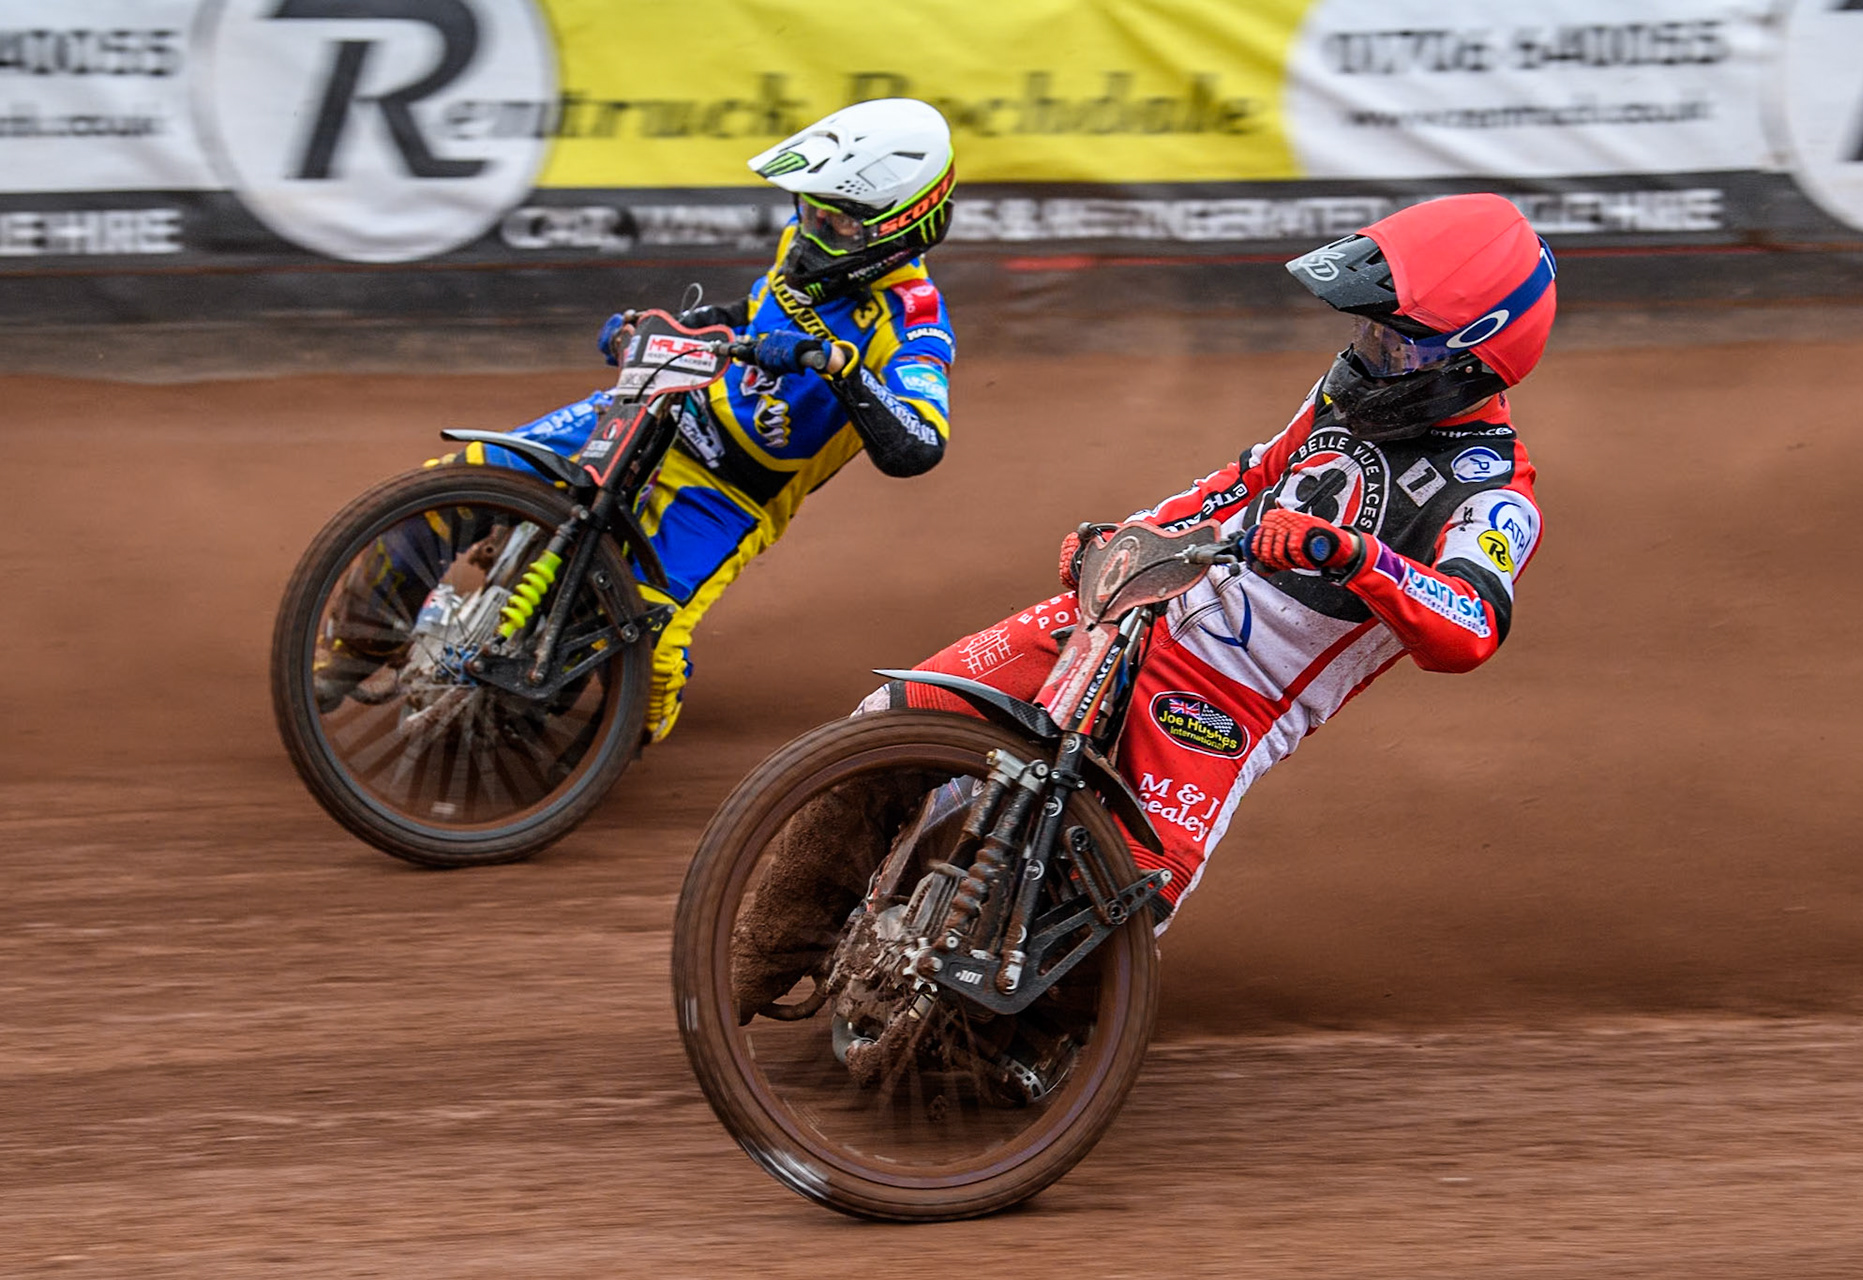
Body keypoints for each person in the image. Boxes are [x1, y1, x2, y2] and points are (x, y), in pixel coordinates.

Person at [862, 192, 1555, 925]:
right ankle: (785, 938)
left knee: (1121, 907)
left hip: (1234, 697)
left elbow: (1473, 626)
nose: (1368, 355)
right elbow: (1250, 476)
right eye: (1368, 331)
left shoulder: (1495, 492)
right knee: (888, 726)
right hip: (1144, 611)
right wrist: (1132, 535)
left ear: (1473, 358)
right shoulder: (1344, 393)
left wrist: (1354, 557)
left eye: (1397, 346)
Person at [324, 98, 959, 740]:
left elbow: (920, 444)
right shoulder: (803, 245)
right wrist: (667, 327)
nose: (814, 229)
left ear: (899, 226)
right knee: (456, 480)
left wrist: (841, 368)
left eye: (837, 221)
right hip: (655, 410)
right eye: (811, 208)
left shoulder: (915, 320)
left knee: (649, 650)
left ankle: (590, 742)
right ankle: (356, 649)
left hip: (726, 493)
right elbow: (752, 311)